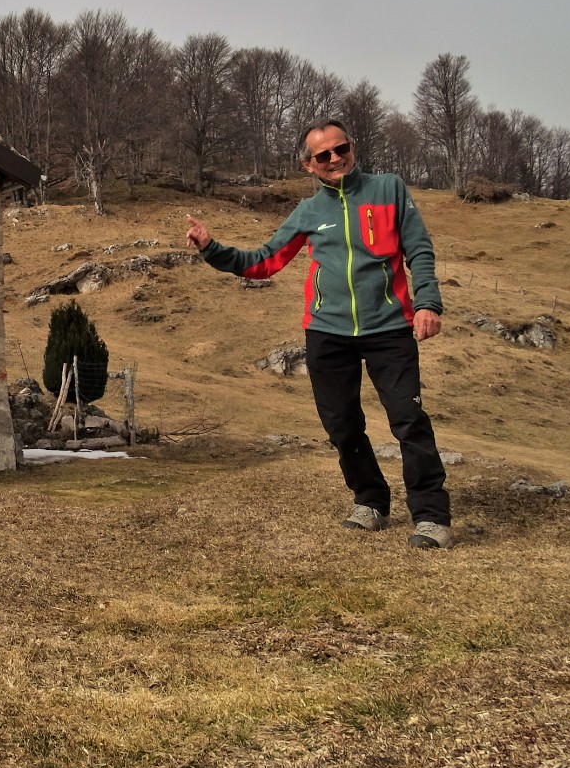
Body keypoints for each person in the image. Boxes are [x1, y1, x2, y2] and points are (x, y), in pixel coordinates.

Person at [184, 119, 453, 549]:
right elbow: (263, 261)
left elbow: (418, 248)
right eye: (322, 155)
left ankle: (431, 517)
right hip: (328, 334)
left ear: (352, 147)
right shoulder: (308, 213)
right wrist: (211, 248)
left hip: (389, 328)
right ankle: (370, 501)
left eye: (340, 148)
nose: (334, 159)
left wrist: (427, 304)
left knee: (408, 420)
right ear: (309, 166)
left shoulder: (389, 189)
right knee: (342, 425)